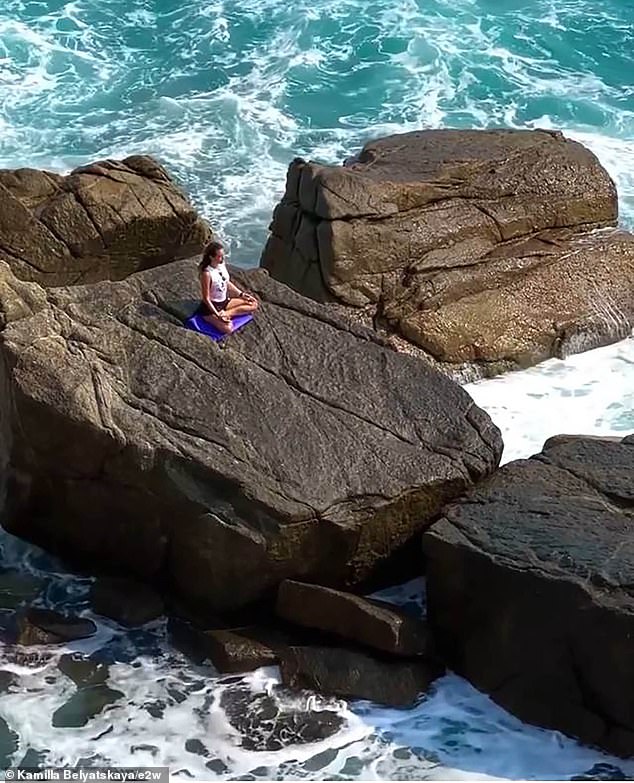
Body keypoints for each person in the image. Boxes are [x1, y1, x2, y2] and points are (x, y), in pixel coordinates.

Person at [197, 241, 258, 334]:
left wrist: (241, 294)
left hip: (224, 302)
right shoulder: (207, 274)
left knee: (253, 304)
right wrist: (217, 315)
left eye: (223, 255)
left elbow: (226, 283)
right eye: (219, 256)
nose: (222, 259)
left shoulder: (221, 265)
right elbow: (206, 299)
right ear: (211, 257)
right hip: (211, 308)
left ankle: (227, 313)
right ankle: (214, 317)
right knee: (229, 328)